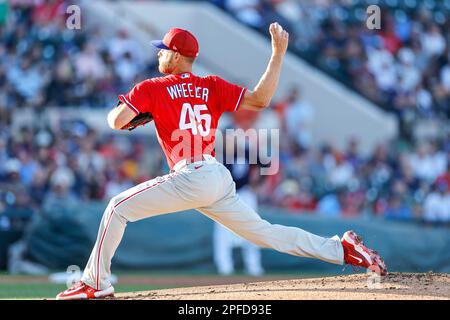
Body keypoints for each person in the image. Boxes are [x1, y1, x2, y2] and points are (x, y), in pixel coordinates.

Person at [56, 23, 387, 300]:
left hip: (192, 175)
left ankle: (95, 283)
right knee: (266, 233)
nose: (159, 53)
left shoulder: (151, 87)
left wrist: (135, 112)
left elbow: (115, 121)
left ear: (176, 55)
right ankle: (341, 249)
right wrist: (277, 55)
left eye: (163, 49)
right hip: (215, 175)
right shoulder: (210, 85)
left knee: (116, 207)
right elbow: (261, 99)